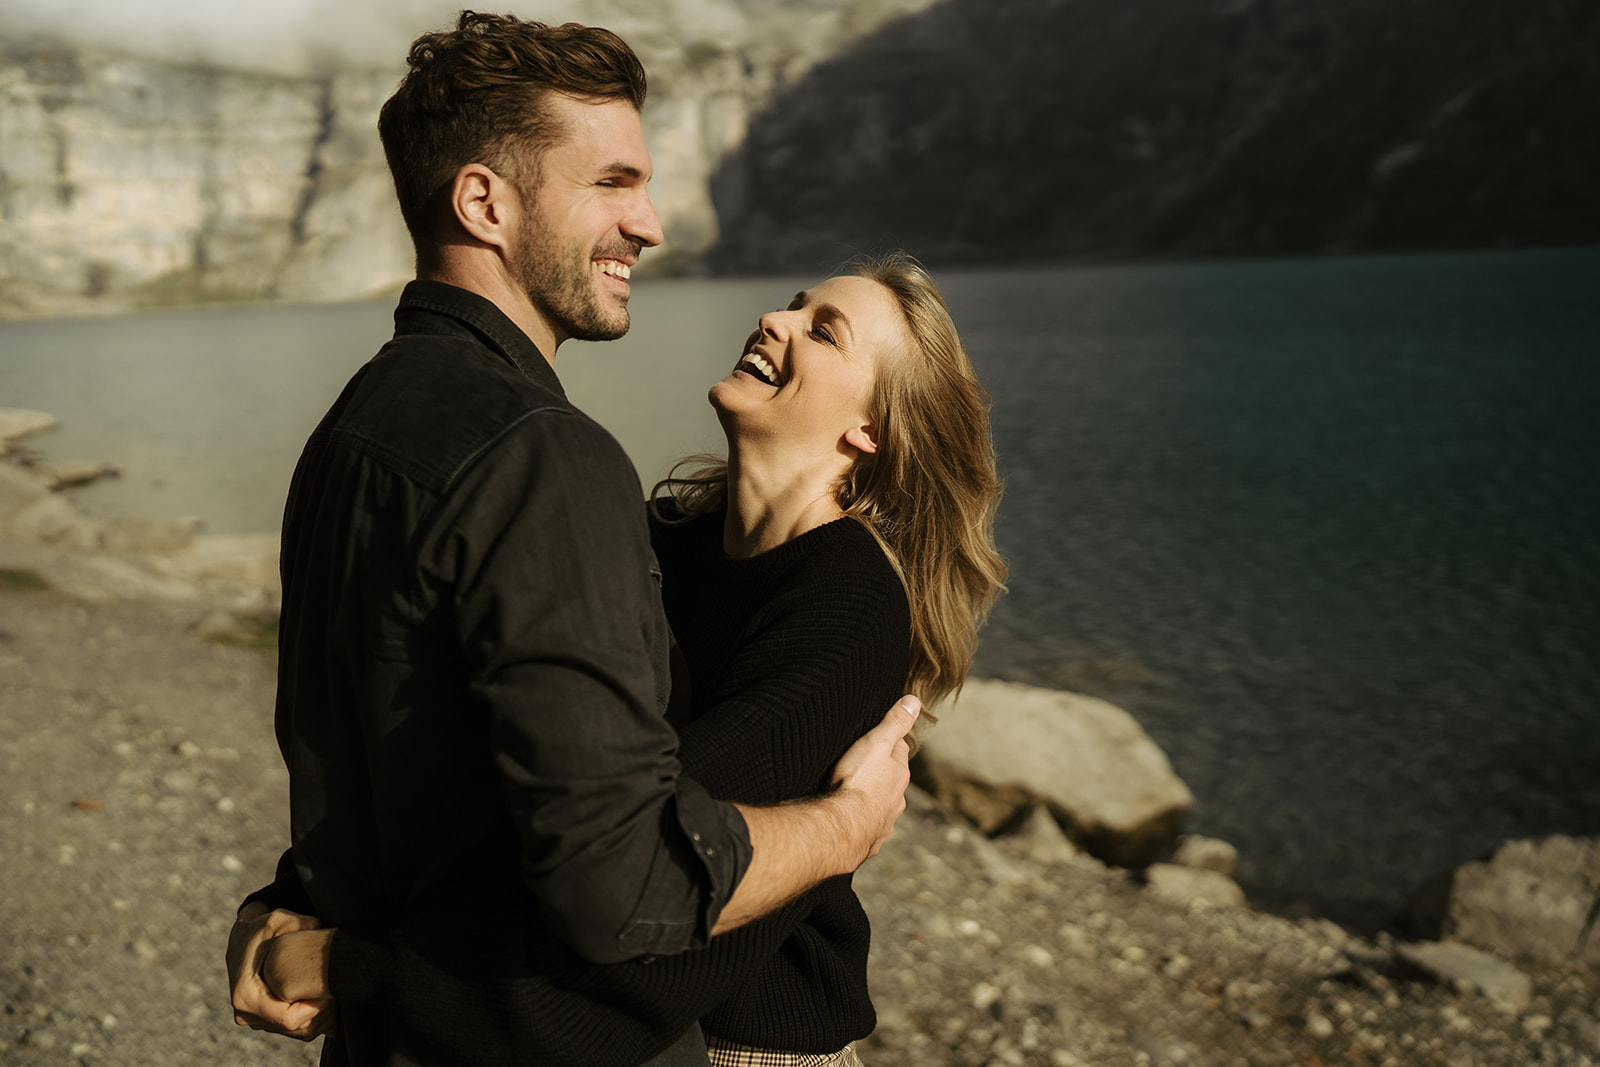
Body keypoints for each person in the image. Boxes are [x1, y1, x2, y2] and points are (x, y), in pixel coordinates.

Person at [224, 14, 919, 1066]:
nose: (649, 224)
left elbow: (411, 759)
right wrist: (845, 826)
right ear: (483, 202)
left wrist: (301, 915)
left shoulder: (351, 431)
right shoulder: (545, 458)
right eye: (612, 183)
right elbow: (630, 883)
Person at [264, 252, 1007, 1066]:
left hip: (740, 1047)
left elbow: (651, 872)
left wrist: (360, 965)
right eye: (792, 303)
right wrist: (295, 895)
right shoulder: (665, 541)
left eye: (821, 331)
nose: (774, 320)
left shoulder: (850, 607)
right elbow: (502, 775)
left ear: (869, 430)